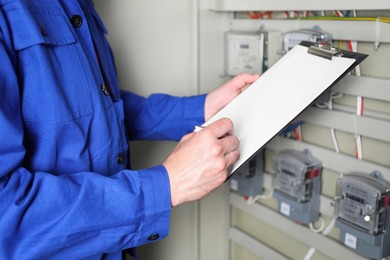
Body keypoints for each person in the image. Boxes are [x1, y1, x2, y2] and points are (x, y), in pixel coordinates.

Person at [0, 0, 258, 258]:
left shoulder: (79, 6)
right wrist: (166, 185)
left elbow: (96, 109)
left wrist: (202, 109)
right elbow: (5, 212)